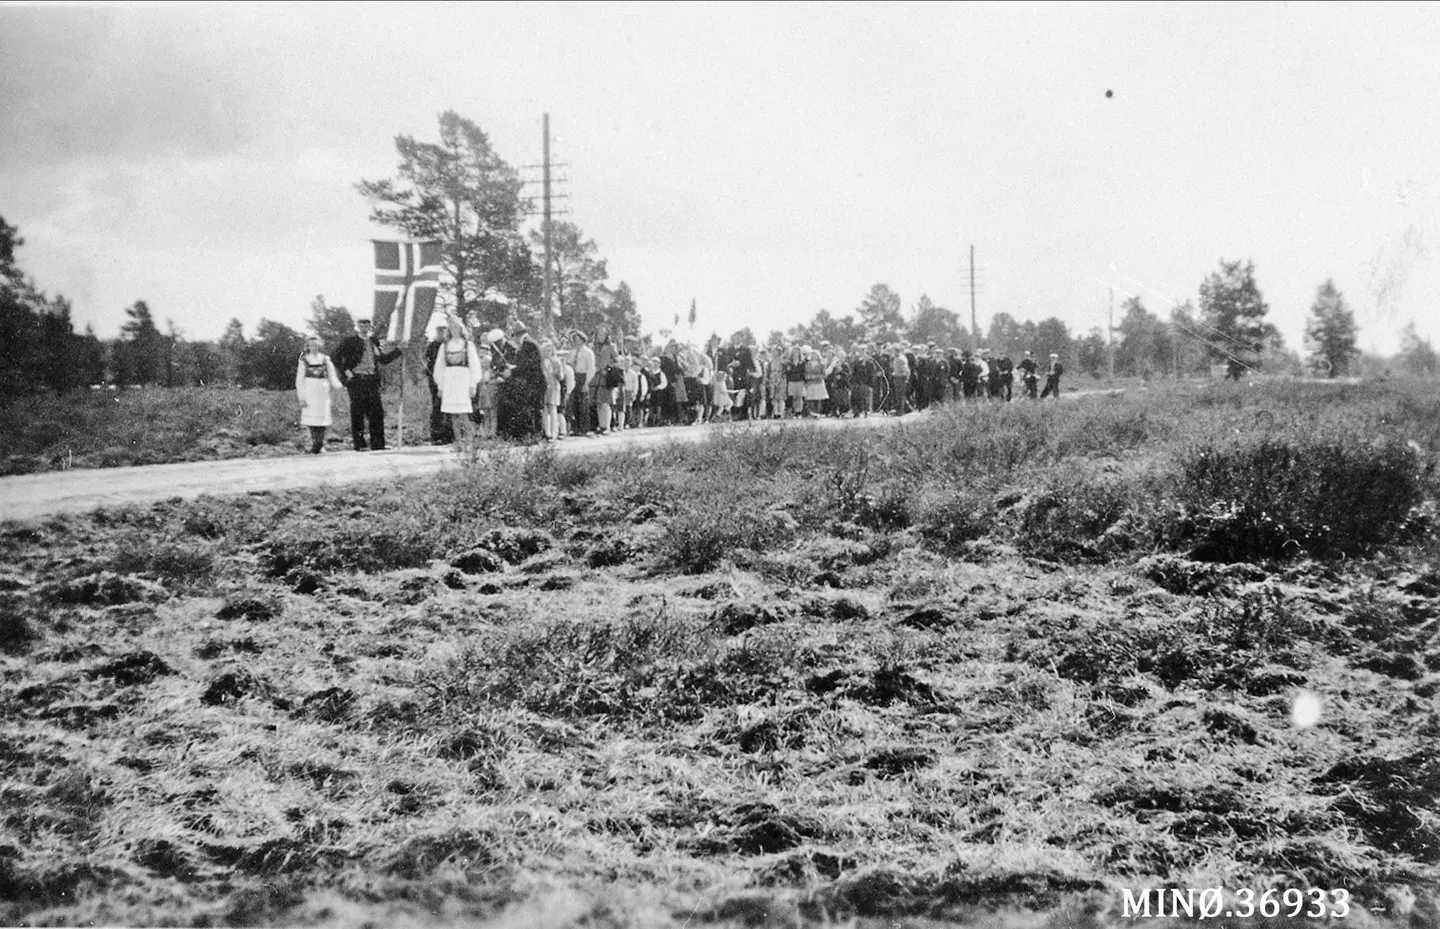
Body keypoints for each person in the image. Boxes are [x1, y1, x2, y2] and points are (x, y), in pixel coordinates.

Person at [332, 318, 401, 451]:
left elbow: (383, 360)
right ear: (358, 326)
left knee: (377, 412)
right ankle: (359, 444)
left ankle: (378, 444)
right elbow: (334, 357)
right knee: (357, 413)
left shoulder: (373, 341)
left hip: (371, 380)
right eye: (361, 325)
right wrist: (346, 371)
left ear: (370, 327)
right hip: (357, 380)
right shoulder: (349, 341)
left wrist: (399, 350)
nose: (364, 327)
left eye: (367, 325)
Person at [431, 315, 483, 452]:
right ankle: (459, 443)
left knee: (464, 413)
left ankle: (469, 443)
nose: (454, 329)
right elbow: (439, 366)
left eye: (456, 326)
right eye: (451, 326)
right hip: (450, 380)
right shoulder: (445, 345)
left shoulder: (467, 344)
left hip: (463, 379)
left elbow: (474, 365)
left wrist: (473, 384)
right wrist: (440, 386)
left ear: (461, 328)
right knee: (453, 414)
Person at [295, 335, 342, 453]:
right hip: (309, 391)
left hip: (322, 392)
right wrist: (301, 397)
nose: (313, 348)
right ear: (307, 347)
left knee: (322, 419)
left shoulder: (325, 359)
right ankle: (316, 443)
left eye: (316, 345)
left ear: (319, 346)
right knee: (312, 420)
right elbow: (299, 380)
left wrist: (340, 386)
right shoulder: (304, 360)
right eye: (311, 345)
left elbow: (332, 376)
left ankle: (319, 443)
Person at [424, 323, 454, 445]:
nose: (441, 333)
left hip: (449, 378)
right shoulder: (433, 345)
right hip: (436, 379)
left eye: (443, 330)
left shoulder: (450, 344)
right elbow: (427, 359)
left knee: (450, 407)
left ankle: (449, 434)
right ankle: (436, 435)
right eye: (439, 330)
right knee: (437, 406)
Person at [571, 332, 596, 435]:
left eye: (578, 339)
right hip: (574, 376)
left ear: (582, 340)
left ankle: (584, 428)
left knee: (583, 405)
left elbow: (591, 369)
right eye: (575, 339)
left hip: (583, 377)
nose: (576, 341)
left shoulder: (588, 352)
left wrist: (586, 383)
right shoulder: (573, 352)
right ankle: (576, 428)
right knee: (575, 403)